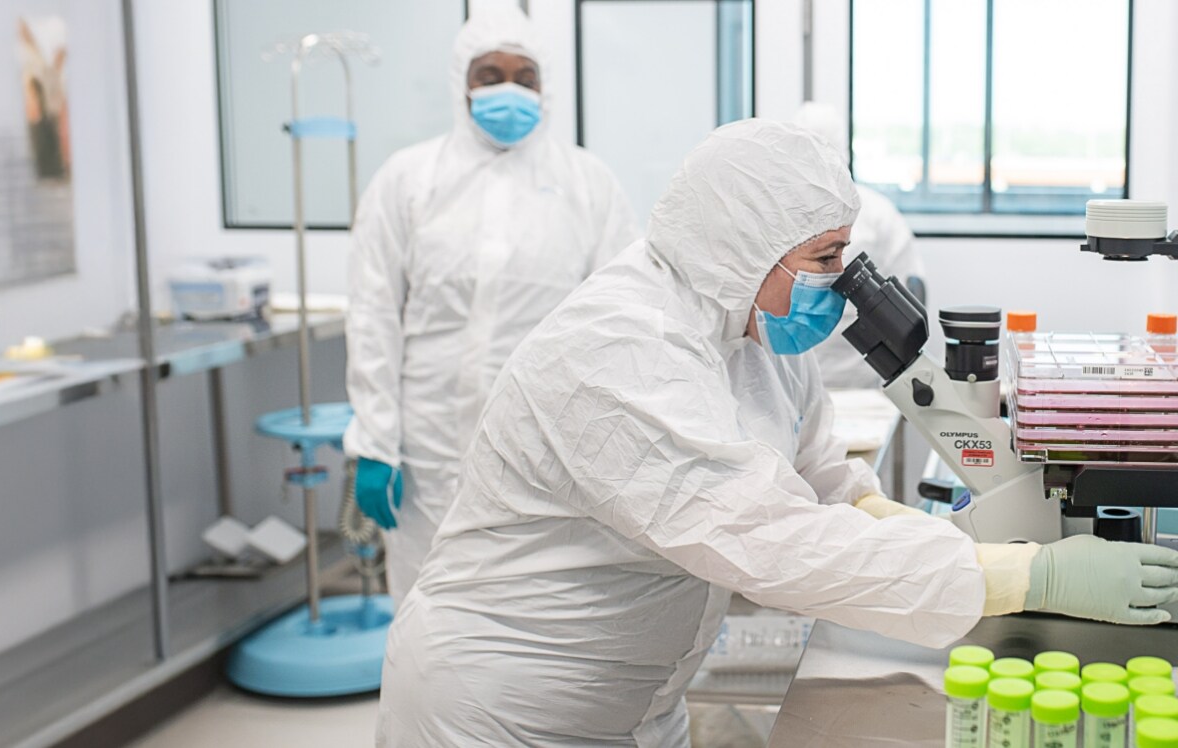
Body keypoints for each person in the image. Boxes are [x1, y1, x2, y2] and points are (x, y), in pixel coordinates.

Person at [376, 119, 1178, 747]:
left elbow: (825, 485)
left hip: (638, 701)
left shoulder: (752, 331)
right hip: (502, 707)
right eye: (823, 257)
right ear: (738, 245)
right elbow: (771, 542)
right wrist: (1025, 580)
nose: (838, 283)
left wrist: (973, 552)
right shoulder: (620, 352)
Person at [344, 6, 638, 606]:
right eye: (489, 74)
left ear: (545, 86)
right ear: (462, 83)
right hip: (428, 446)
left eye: (524, 76)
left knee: (533, 609)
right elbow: (373, 314)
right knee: (428, 606)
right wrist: (375, 442)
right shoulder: (408, 180)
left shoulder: (587, 183)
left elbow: (621, 317)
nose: (508, 90)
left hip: (548, 443)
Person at [794, 101, 925, 389]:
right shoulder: (781, 212)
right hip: (797, 373)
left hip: (865, 379)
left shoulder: (875, 213)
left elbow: (912, 294)